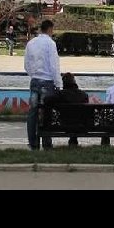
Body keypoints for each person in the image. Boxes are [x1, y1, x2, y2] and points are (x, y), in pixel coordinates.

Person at [24, 19, 61, 150]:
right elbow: (54, 66)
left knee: (32, 112)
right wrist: (58, 83)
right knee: (46, 113)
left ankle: (33, 143)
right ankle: (46, 142)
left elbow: (27, 65)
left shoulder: (31, 43)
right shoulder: (50, 44)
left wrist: (34, 75)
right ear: (50, 29)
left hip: (34, 82)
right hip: (47, 82)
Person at [46, 71, 89, 146]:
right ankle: (73, 140)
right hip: (81, 125)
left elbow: (46, 100)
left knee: (70, 119)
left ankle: (47, 144)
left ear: (63, 83)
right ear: (74, 81)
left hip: (64, 125)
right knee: (76, 118)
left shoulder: (60, 94)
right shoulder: (83, 94)